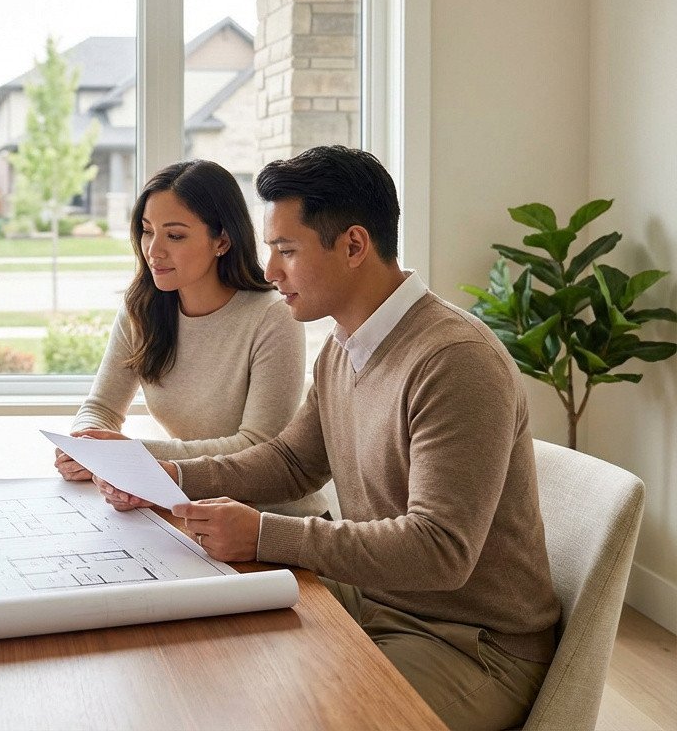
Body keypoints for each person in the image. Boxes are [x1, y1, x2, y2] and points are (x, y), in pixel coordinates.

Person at [97, 146, 560, 730]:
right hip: (377, 601)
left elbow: (440, 550)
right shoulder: (344, 346)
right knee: (196, 659)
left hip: (470, 644)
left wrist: (264, 533)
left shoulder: (454, 361)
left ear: (354, 245)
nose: (269, 271)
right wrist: (174, 480)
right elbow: (292, 461)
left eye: (287, 250)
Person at [56, 159, 328, 518]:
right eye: (147, 230)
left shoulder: (272, 316)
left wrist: (134, 456)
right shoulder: (142, 307)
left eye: (175, 235)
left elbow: (257, 446)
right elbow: (101, 408)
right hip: (193, 509)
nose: (154, 250)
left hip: (274, 521)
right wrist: (85, 445)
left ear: (222, 241)